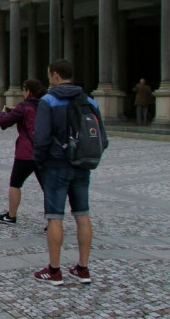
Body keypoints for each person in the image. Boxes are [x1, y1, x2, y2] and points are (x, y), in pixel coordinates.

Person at [32, 59, 108, 286]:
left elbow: (42, 138)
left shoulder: (48, 100)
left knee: (55, 217)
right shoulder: (90, 101)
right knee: (82, 214)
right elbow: (102, 138)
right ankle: (83, 268)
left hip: (56, 165)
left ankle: (54, 270)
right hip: (82, 166)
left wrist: (40, 161)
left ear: (55, 75)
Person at [0, 79, 46, 225]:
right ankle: (53, 221)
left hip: (25, 153)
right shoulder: (45, 105)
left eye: (24, 90)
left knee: (15, 183)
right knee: (47, 187)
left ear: (28, 91)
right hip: (43, 152)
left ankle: (11, 216)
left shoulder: (24, 106)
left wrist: (3, 112)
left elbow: (4, 123)